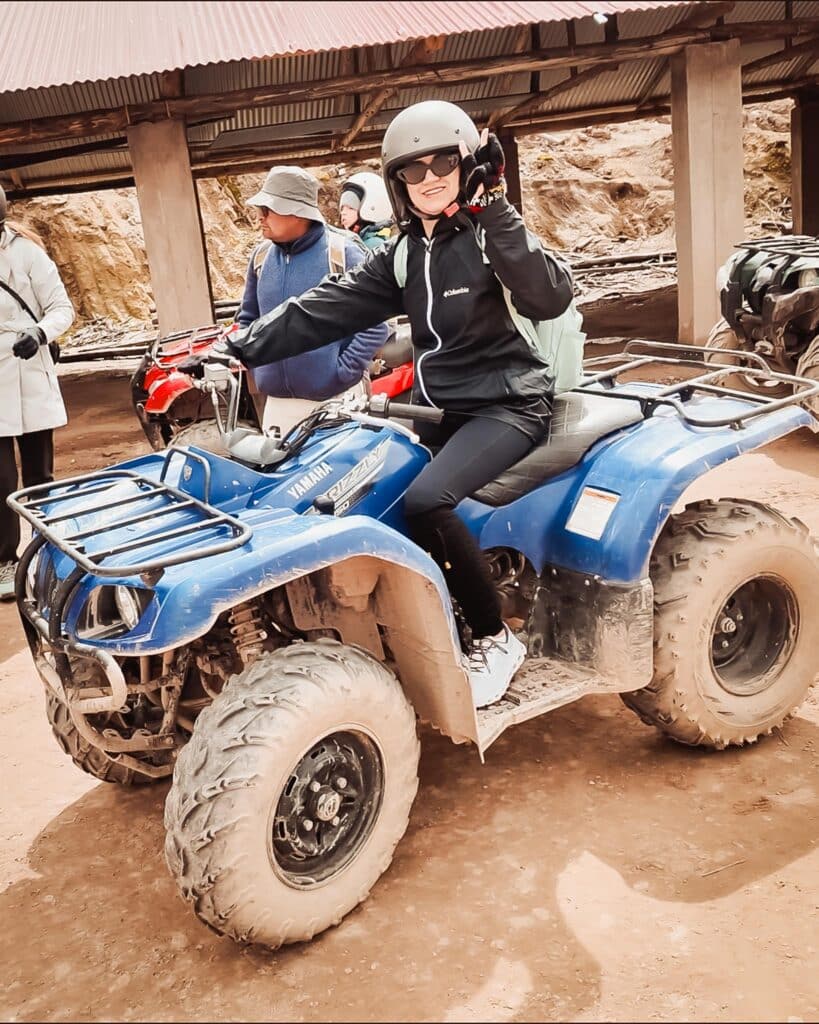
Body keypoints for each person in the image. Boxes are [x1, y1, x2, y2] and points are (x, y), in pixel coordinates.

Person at [205, 101, 574, 707]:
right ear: (398, 181)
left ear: (466, 164)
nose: (430, 177)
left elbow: (548, 296)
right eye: (414, 169)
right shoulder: (403, 252)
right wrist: (237, 346)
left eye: (443, 163)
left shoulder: (488, 233)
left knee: (429, 498)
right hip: (437, 409)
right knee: (360, 489)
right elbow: (321, 310)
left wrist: (496, 204)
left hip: (508, 404)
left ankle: (494, 636)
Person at [238, 166, 388, 436]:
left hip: (337, 401)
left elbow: (376, 324)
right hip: (277, 405)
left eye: (268, 209)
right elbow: (247, 320)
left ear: (296, 212)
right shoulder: (260, 259)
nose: (260, 217)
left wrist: (341, 372)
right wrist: (258, 365)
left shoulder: (343, 253)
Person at [0, 185, 74, 599]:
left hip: (28, 367)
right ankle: (5, 560)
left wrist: (40, 332)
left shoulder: (26, 253)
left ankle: (46, 552)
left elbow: (61, 307)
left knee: (39, 474)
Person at [338, 171, 394, 250]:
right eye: (342, 208)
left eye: (351, 208)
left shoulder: (374, 245)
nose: (343, 213)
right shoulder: (353, 240)